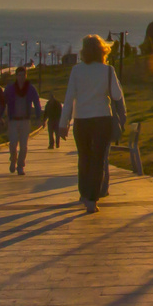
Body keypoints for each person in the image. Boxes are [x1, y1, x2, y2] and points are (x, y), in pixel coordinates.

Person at [58, 35, 126, 213]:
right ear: (102, 50)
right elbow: (117, 95)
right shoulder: (108, 71)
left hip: (81, 121)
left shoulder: (77, 71)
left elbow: (69, 98)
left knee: (84, 158)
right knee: (98, 160)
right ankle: (92, 199)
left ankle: (84, 193)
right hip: (102, 119)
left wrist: (63, 123)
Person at [4, 65, 40, 174]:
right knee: (13, 143)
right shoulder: (10, 89)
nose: (21, 77)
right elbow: (3, 102)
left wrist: (38, 117)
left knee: (24, 146)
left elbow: (37, 103)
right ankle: (13, 160)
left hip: (25, 120)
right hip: (13, 120)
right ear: (16, 76)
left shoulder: (30, 88)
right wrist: (1, 116)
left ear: (26, 76)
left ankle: (20, 165)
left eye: (23, 75)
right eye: (19, 75)